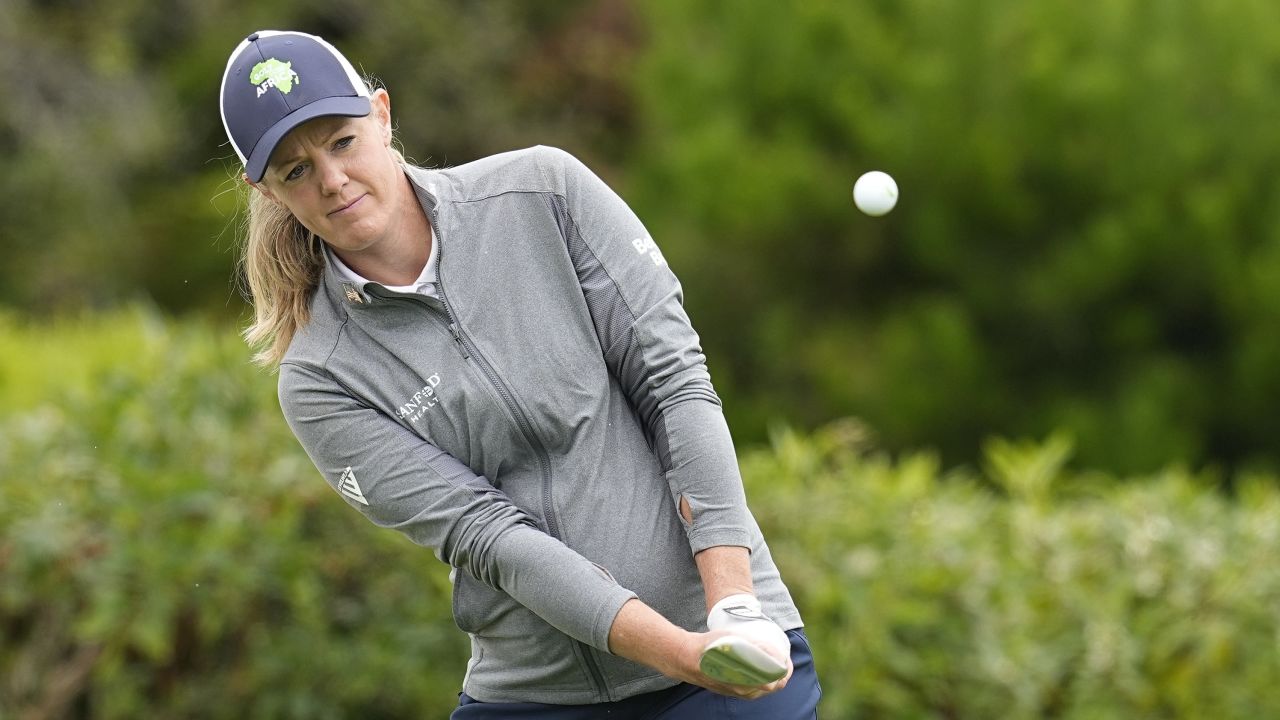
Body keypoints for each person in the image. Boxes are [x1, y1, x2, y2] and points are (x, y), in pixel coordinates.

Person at [219, 30, 821, 718]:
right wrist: (677, 651)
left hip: (732, 635)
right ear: (262, 189)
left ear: (382, 114)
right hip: (540, 695)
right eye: (294, 170)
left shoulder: (543, 192)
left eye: (342, 141)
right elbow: (490, 537)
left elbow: (674, 384)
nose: (331, 180)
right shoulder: (321, 378)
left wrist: (733, 611)